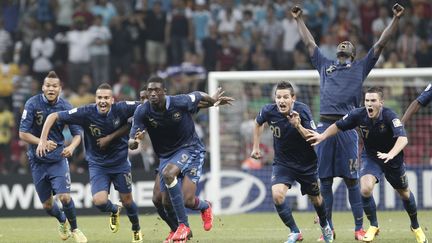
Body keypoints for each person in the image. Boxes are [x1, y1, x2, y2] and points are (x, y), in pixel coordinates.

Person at [291, 3, 405, 240]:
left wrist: (395, 19)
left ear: (352, 53)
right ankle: (328, 229)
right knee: (324, 181)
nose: (342, 46)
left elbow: (380, 44)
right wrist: (298, 20)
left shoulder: (361, 67)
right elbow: (310, 44)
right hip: (324, 127)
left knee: (353, 180)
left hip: (348, 129)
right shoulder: (325, 66)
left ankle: (358, 228)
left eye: (347, 46)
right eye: (340, 46)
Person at [307, 87, 428, 243]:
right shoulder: (358, 114)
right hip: (371, 157)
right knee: (365, 188)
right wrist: (322, 136)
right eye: (367, 101)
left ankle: (415, 226)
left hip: (393, 159)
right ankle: (373, 226)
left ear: (381, 103)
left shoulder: (390, 116)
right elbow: (338, 125)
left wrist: (391, 154)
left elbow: (403, 139)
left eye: (373, 101)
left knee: (404, 193)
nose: (369, 104)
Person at [128, 76, 234, 243]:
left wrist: (212, 100)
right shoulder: (142, 111)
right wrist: (136, 140)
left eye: (157, 90)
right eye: (150, 91)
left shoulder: (179, 102)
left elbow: (198, 95)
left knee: (173, 180)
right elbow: (131, 143)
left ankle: (184, 226)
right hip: (166, 156)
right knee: (159, 200)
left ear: (164, 92)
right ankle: (178, 229)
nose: (153, 93)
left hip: (190, 149)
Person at [36, 83, 143, 243]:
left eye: (106, 98)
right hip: (98, 164)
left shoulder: (122, 108)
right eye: (100, 97)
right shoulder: (86, 112)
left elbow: (145, 108)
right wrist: (42, 141)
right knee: (99, 202)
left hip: (120, 162)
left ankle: (136, 229)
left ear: (112, 100)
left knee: (128, 201)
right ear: (95, 99)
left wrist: (136, 132)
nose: (103, 101)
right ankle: (114, 209)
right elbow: (53, 116)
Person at [251, 81, 333, 243]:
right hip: (283, 163)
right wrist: (256, 147)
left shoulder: (302, 111)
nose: (281, 100)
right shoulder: (268, 110)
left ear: (293, 98)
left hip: (306, 164)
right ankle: (295, 231)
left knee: (316, 199)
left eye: (285, 97)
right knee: (277, 195)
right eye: (278, 97)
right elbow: (257, 123)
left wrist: (298, 126)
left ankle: (325, 226)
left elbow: (313, 139)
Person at [18, 71, 87, 243]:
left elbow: (77, 133)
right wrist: (41, 141)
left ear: (59, 89)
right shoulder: (32, 103)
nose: (51, 88)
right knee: (48, 206)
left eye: (54, 86)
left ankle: (75, 229)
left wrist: (71, 146)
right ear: (43, 87)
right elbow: (22, 133)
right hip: (37, 161)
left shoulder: (66, 106)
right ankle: (62, 220)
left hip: (57, 160)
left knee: (64, 197)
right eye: (48, 85)